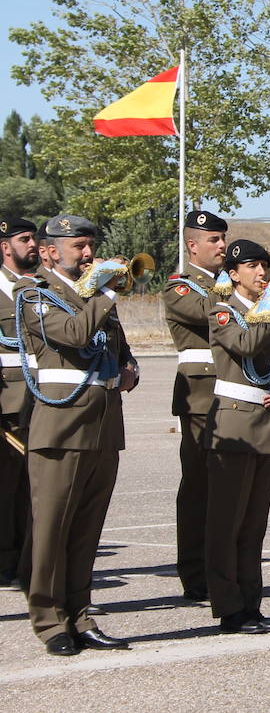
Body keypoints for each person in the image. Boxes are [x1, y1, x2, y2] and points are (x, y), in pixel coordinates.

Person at [17, 215, 138, 655]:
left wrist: (131, 369)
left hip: (103, 426)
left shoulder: (95, 297)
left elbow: (120, 350)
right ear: (50, 252)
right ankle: (50, 622)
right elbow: (72, 334)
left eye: (90, 246)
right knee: (52, 530)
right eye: (78, 247)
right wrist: (107, 292)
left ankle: (81, 615)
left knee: (87, 529)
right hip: (62, 428)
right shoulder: (35, 295)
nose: (88, 254)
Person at [204, 240, 270, 634]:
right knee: (227, 523)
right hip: (235, 425)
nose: (262, 273)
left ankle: (251, 604)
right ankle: (229, 608)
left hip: (267, 424)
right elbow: (245, 345)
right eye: (253, 266)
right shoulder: (223, 312)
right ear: (234, 274)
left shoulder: (266, 315)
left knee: (254, 524)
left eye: (265, 266)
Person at [161, 210, 229, 602]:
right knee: (199, 487)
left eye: (223, 239)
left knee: (230, 487)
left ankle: (222, 567)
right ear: (192, 245)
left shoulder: (228, 283)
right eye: (213, 240)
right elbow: (212, 315)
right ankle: (194, 571)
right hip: (201, 395)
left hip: (236, 393)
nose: (222, 246)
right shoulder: (181, 286)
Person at [0, 218, 39, 589]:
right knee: (7, 484)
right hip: (9, 399)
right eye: (24, 239)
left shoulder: (42, 287)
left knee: (35, 484)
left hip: (44, 395)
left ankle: (29, 559)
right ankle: (6, 561)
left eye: (34, 238)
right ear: (5, 246)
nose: (32, 244)